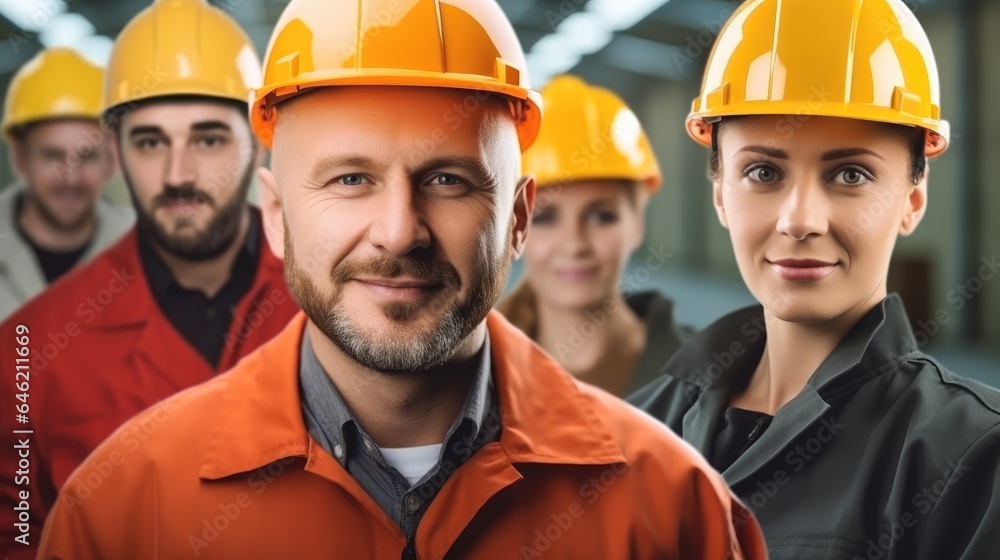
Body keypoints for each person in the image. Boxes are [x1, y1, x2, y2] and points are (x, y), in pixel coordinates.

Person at [36, 0, 766, 558]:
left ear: (517, 217)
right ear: (276, 214)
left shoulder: (673, 508)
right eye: (350, 179)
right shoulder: (121, 510)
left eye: (447, 179)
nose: (398, 230)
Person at [630, 0, 1000, 558]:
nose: (799, 219)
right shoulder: (635, 427)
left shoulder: (972, 454)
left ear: (912, 201)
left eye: (850, 174)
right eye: (763, 172)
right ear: (720, 196)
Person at [0, 1, 298, 557]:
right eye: (150, 142)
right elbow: (15, 531)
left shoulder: (333, 305)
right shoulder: (28, 346)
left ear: (258, 141)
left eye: (208, 140)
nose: (177, 174)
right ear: (115, 150)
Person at [497, 75, 690, 396]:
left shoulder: (704, 375)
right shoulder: (466, 378)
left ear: (637, 223)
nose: (575, 244)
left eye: (601, 216)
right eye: (545, 217)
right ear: (517, 225)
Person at [0, 47, 133, 321]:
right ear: (21, 159)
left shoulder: (149, 247)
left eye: (87, 156)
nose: (71, 178)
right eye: (52, 156)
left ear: (112, 160)